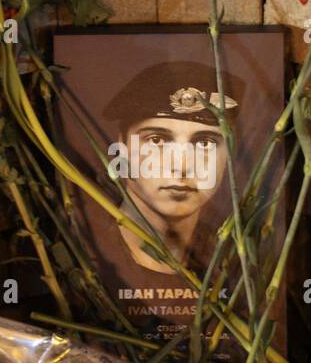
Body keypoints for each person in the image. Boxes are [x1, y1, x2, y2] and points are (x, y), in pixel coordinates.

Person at [102, 61, 245, 274]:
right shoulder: (89, 250)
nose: (181, 166)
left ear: (229, 155)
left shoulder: (237, 267)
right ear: (122, 146)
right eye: (157, 140)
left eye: (205, 143)